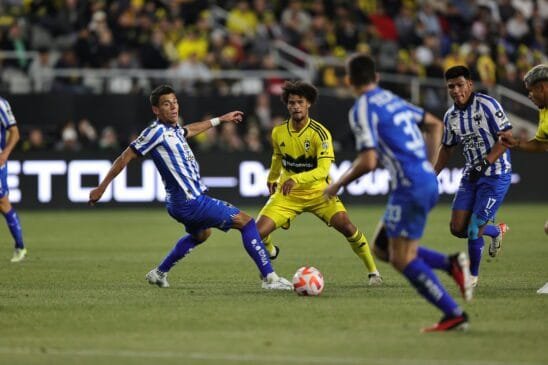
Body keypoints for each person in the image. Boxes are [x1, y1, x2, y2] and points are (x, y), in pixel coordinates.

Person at [88, 84, 292, 290]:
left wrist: (220, 119)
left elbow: (191, 129)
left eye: (175, 102)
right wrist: (102, 187)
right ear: (156, 110)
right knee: (247, 223)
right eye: (166, 104)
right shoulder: (155, 131)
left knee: (202, 234)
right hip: (191, 202)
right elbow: (126, 156)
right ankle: (270, 279)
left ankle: (159, 273)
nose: (174, 107)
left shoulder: (174, 130)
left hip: (179, 203)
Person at [325, 54, 472, 332]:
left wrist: (337, 184)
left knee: (401, 258)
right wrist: (428, 167)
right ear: (376, 77)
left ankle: (453, 313)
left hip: (410, 187)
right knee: (381, 248)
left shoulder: (362, 108)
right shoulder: (392, 99)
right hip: (421, 181)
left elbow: (368, 161)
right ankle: (450, 263)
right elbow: (434, 124)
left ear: (349, 81)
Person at [256, 80, 382, 286]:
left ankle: (373, 272)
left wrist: (296, 178)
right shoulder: (278, 131)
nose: (295, 106)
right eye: (291, 103)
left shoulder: (320, 134)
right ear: (287, 105)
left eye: (300, 102)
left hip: (320, 194)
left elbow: (323, 170)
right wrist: (272, 177)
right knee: (256, 233)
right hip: (288, 195)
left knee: (347, 227)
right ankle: (270, 250)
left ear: (308, 105)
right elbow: (277, 156)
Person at [435, 65, 512, 288]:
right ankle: (496, 230)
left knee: (472, 228)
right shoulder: (451, 116)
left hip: (496, 174)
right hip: (471, 175)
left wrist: (486, 162)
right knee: (457, 228)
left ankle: (472, 277)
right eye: (451, 86)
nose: (456, 90)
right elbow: (447, 147)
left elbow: (506, 137)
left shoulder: (487, 105)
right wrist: (433, 174)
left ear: (470, 84)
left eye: (460, 85)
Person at [497, 64, 548, 293]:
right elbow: (541, 144)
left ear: (543, 87)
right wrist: (516, 143)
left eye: (531, 91)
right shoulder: (544, 110)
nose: (529, 95)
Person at [0, 97, 26, 262]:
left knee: (2, 202)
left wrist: (5, 154)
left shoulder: (1, 104)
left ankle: (20, 246)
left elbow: (15, 133)